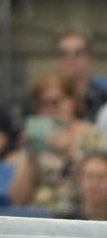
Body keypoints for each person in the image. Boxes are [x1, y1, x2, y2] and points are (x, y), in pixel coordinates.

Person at [7, 71, 101, 217]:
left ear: (73, 101)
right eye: (43, 104)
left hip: (80, 219)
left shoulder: (92, 137)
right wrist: (29, 158)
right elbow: (17, 200)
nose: (50, 110)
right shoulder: (37, 141)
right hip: (39, 220)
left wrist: (69, 151)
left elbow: (97, 191)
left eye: (56, 102)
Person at [52, 28, 107, 124]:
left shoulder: (103, 94)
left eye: (78, 53)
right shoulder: (43, 97)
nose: (70, 59)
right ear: (54, 59)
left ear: (90, 58)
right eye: (63, 53)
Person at [70, 151, 107, 220]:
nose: (95, 184)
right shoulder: (65, 221)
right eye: (89, 176)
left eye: (101, 177)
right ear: (79, 180)